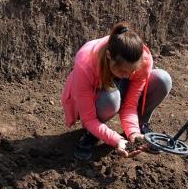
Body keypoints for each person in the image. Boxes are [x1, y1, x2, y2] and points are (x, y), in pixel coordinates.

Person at [62, 22, 173, 161]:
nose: (128, 76)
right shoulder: (86, 64)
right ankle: (93, 133)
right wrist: (116, 140)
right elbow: (88, 118)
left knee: (163, 80)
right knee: (111, 100)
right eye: (122, 71)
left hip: (117, 88)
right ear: (109, 56)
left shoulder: (142, 61)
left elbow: (129, 105)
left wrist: (133, 134)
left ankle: (140, 126)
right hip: (100, 96)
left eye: (132, 71)